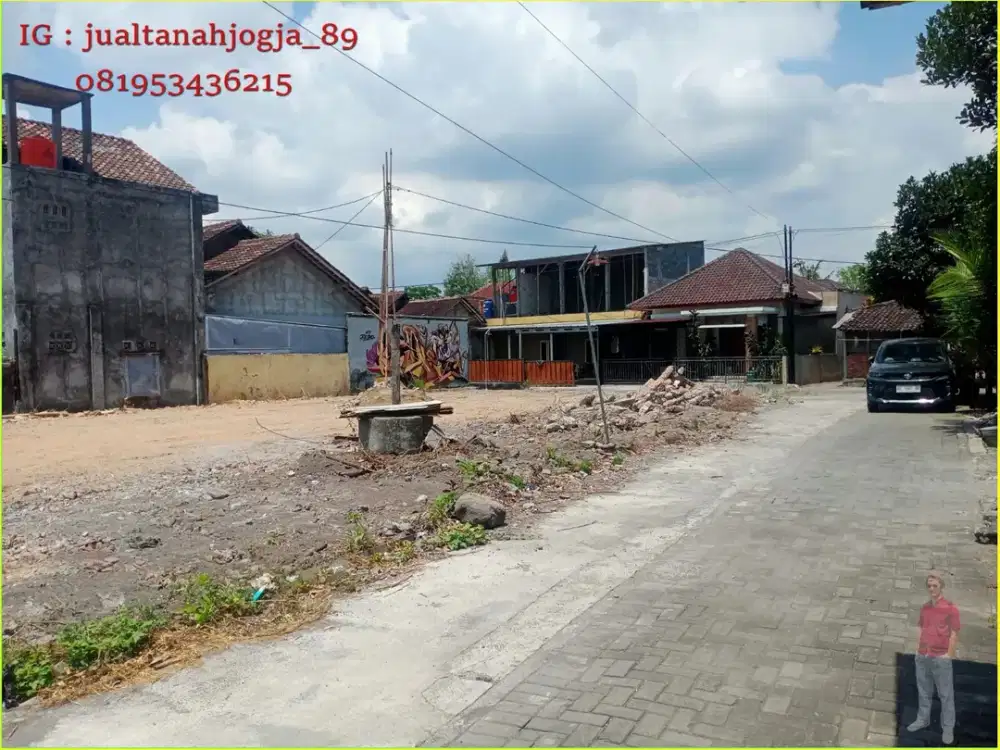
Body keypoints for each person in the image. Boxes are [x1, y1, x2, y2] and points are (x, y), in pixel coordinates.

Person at [908, 571, 960, 745]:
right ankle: (923, 719)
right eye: (929, 586)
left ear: (941, 586)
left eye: (935, 585)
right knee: (924, 691)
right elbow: (921, 628)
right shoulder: (925, 608)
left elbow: (954, 633)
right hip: (923, 656)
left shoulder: (950, 608)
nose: (931, 589)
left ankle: (948, 728)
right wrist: (918, 651)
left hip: (940, 657)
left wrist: (948, 655)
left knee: (946, 695)